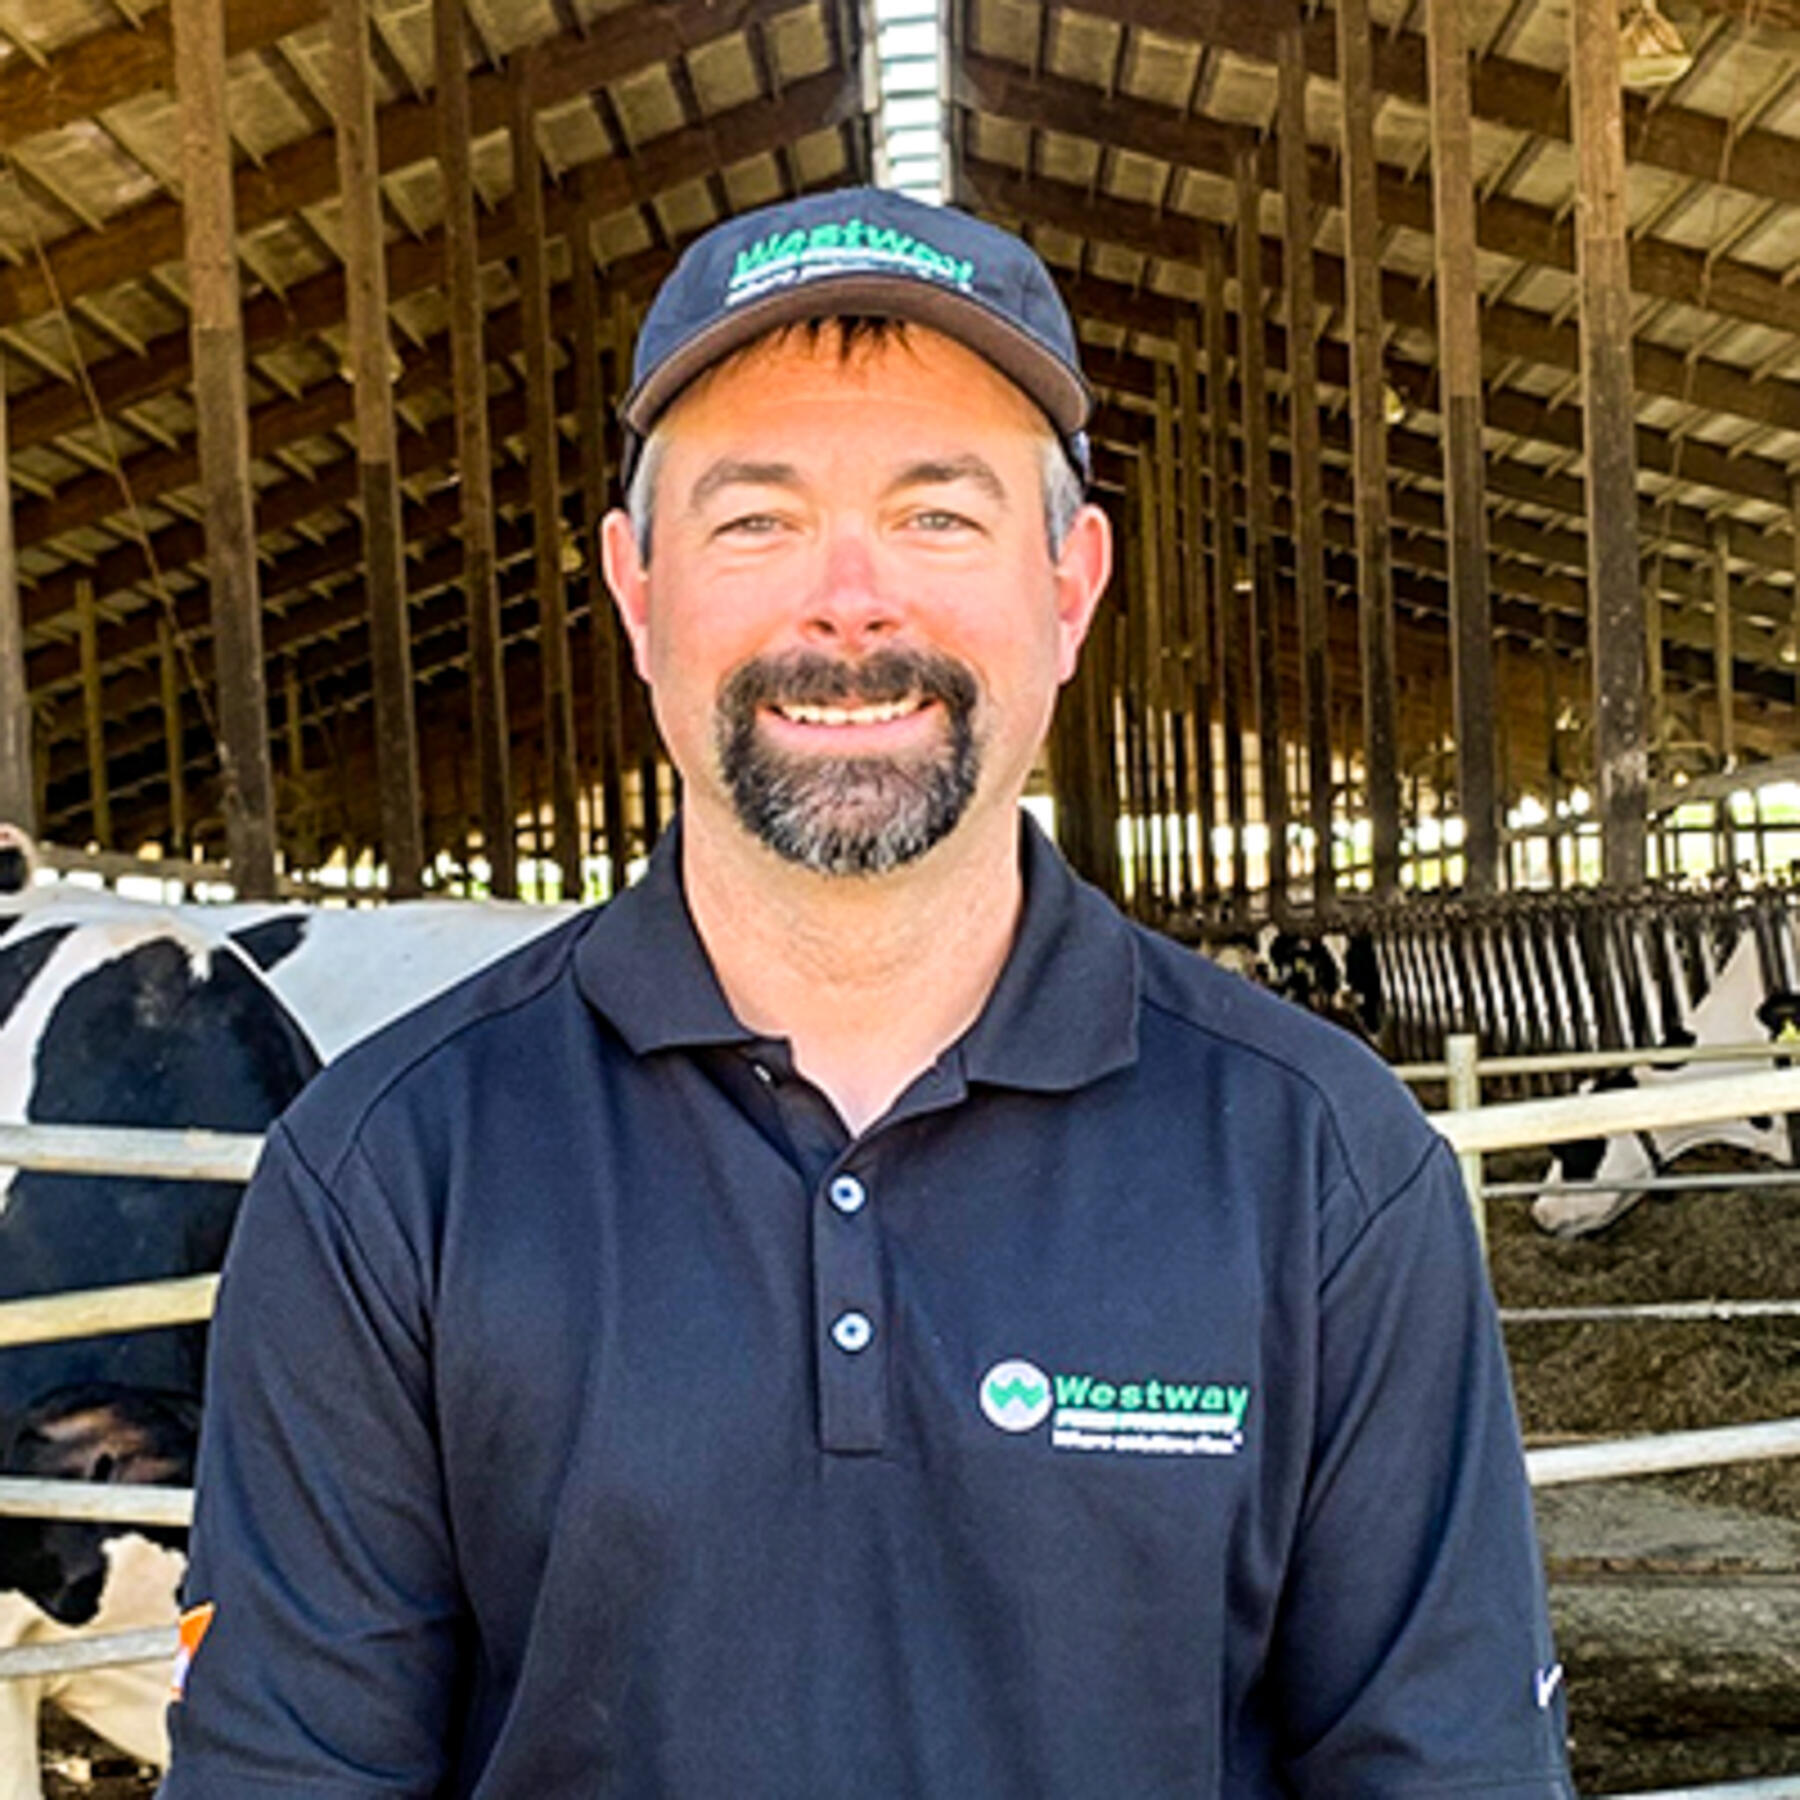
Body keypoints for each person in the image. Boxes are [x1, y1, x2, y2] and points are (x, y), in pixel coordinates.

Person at [162, 186, 1573, 1797]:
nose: (850, 603)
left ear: (1070, 583)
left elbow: (1444, 1767)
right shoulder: (385, 1176)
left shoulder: (1324, 1167)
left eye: (938, 515)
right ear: (636, 589)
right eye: (755, 518)